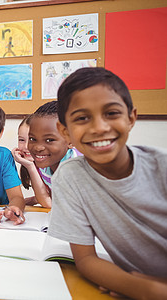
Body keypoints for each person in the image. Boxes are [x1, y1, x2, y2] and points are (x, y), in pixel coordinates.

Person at [48, 67, 167, 299]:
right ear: (65, 131)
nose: (99, 127)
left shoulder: (161, 168)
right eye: (82, 118)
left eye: (111, 113)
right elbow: (85, 259)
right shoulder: (70, 177)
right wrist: (145, 289)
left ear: (131, 118)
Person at [12, 101, 81, 208]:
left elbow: (53, 204)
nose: (38, 147)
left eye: (49, 140)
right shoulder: (46, 164)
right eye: (33, 139)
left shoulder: (78, 166)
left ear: (71, 140)